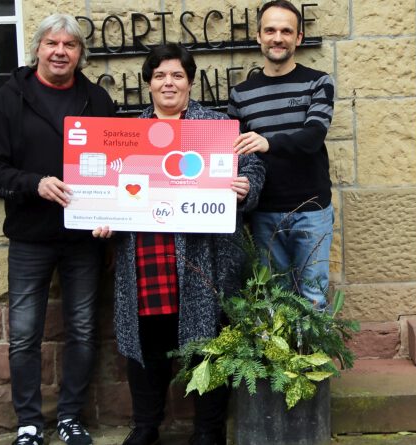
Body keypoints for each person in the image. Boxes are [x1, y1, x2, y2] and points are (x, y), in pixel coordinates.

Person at [93, 43, 264, 445]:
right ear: (148, 84)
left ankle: (208, 430)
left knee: (208, 342)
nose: (168, 83)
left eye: (176, 75)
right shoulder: (126, 133)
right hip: (146, 254)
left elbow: (254, 167)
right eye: (159, 76)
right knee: (147, 341)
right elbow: (106, 186)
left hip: (205, 256)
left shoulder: (218, 127)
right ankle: (146, 426)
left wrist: (247, 187)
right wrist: (99, 216)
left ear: (189, 82)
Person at [0, 13, 116, 445]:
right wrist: (34, 184)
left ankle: (71, 418)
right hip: (29, 238)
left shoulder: (98, 101)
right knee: (24, 335)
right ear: (37, 48)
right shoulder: (8, 99)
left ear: (80, 54)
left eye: (70, 45)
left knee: (83, 331)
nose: (60, 52)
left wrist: (113, 215)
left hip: (84, 240)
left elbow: (117, 169)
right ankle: (28, 424)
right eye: (52, 43)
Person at [228, 0, 335, 308]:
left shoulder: (318, 82)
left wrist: (268, 143)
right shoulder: (241, 94)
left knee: (313, 300)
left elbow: (313, 136)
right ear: (259, 36)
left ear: (298, 37)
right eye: (270, 30)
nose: (278, 38)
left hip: (311, 210)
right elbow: (238, 156)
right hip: (263, 213)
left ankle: (317, 345)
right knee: (274, 302)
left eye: (286, 31)